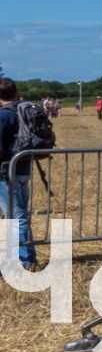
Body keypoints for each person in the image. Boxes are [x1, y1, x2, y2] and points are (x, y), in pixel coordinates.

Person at [0, 78, 38, 269]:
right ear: (16, 92)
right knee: (21, 214)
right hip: (23, 168)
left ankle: (24, 259)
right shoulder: (24, 110)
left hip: (7, 172)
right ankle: (27, 255)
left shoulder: (4, 115)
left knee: (16, 217)